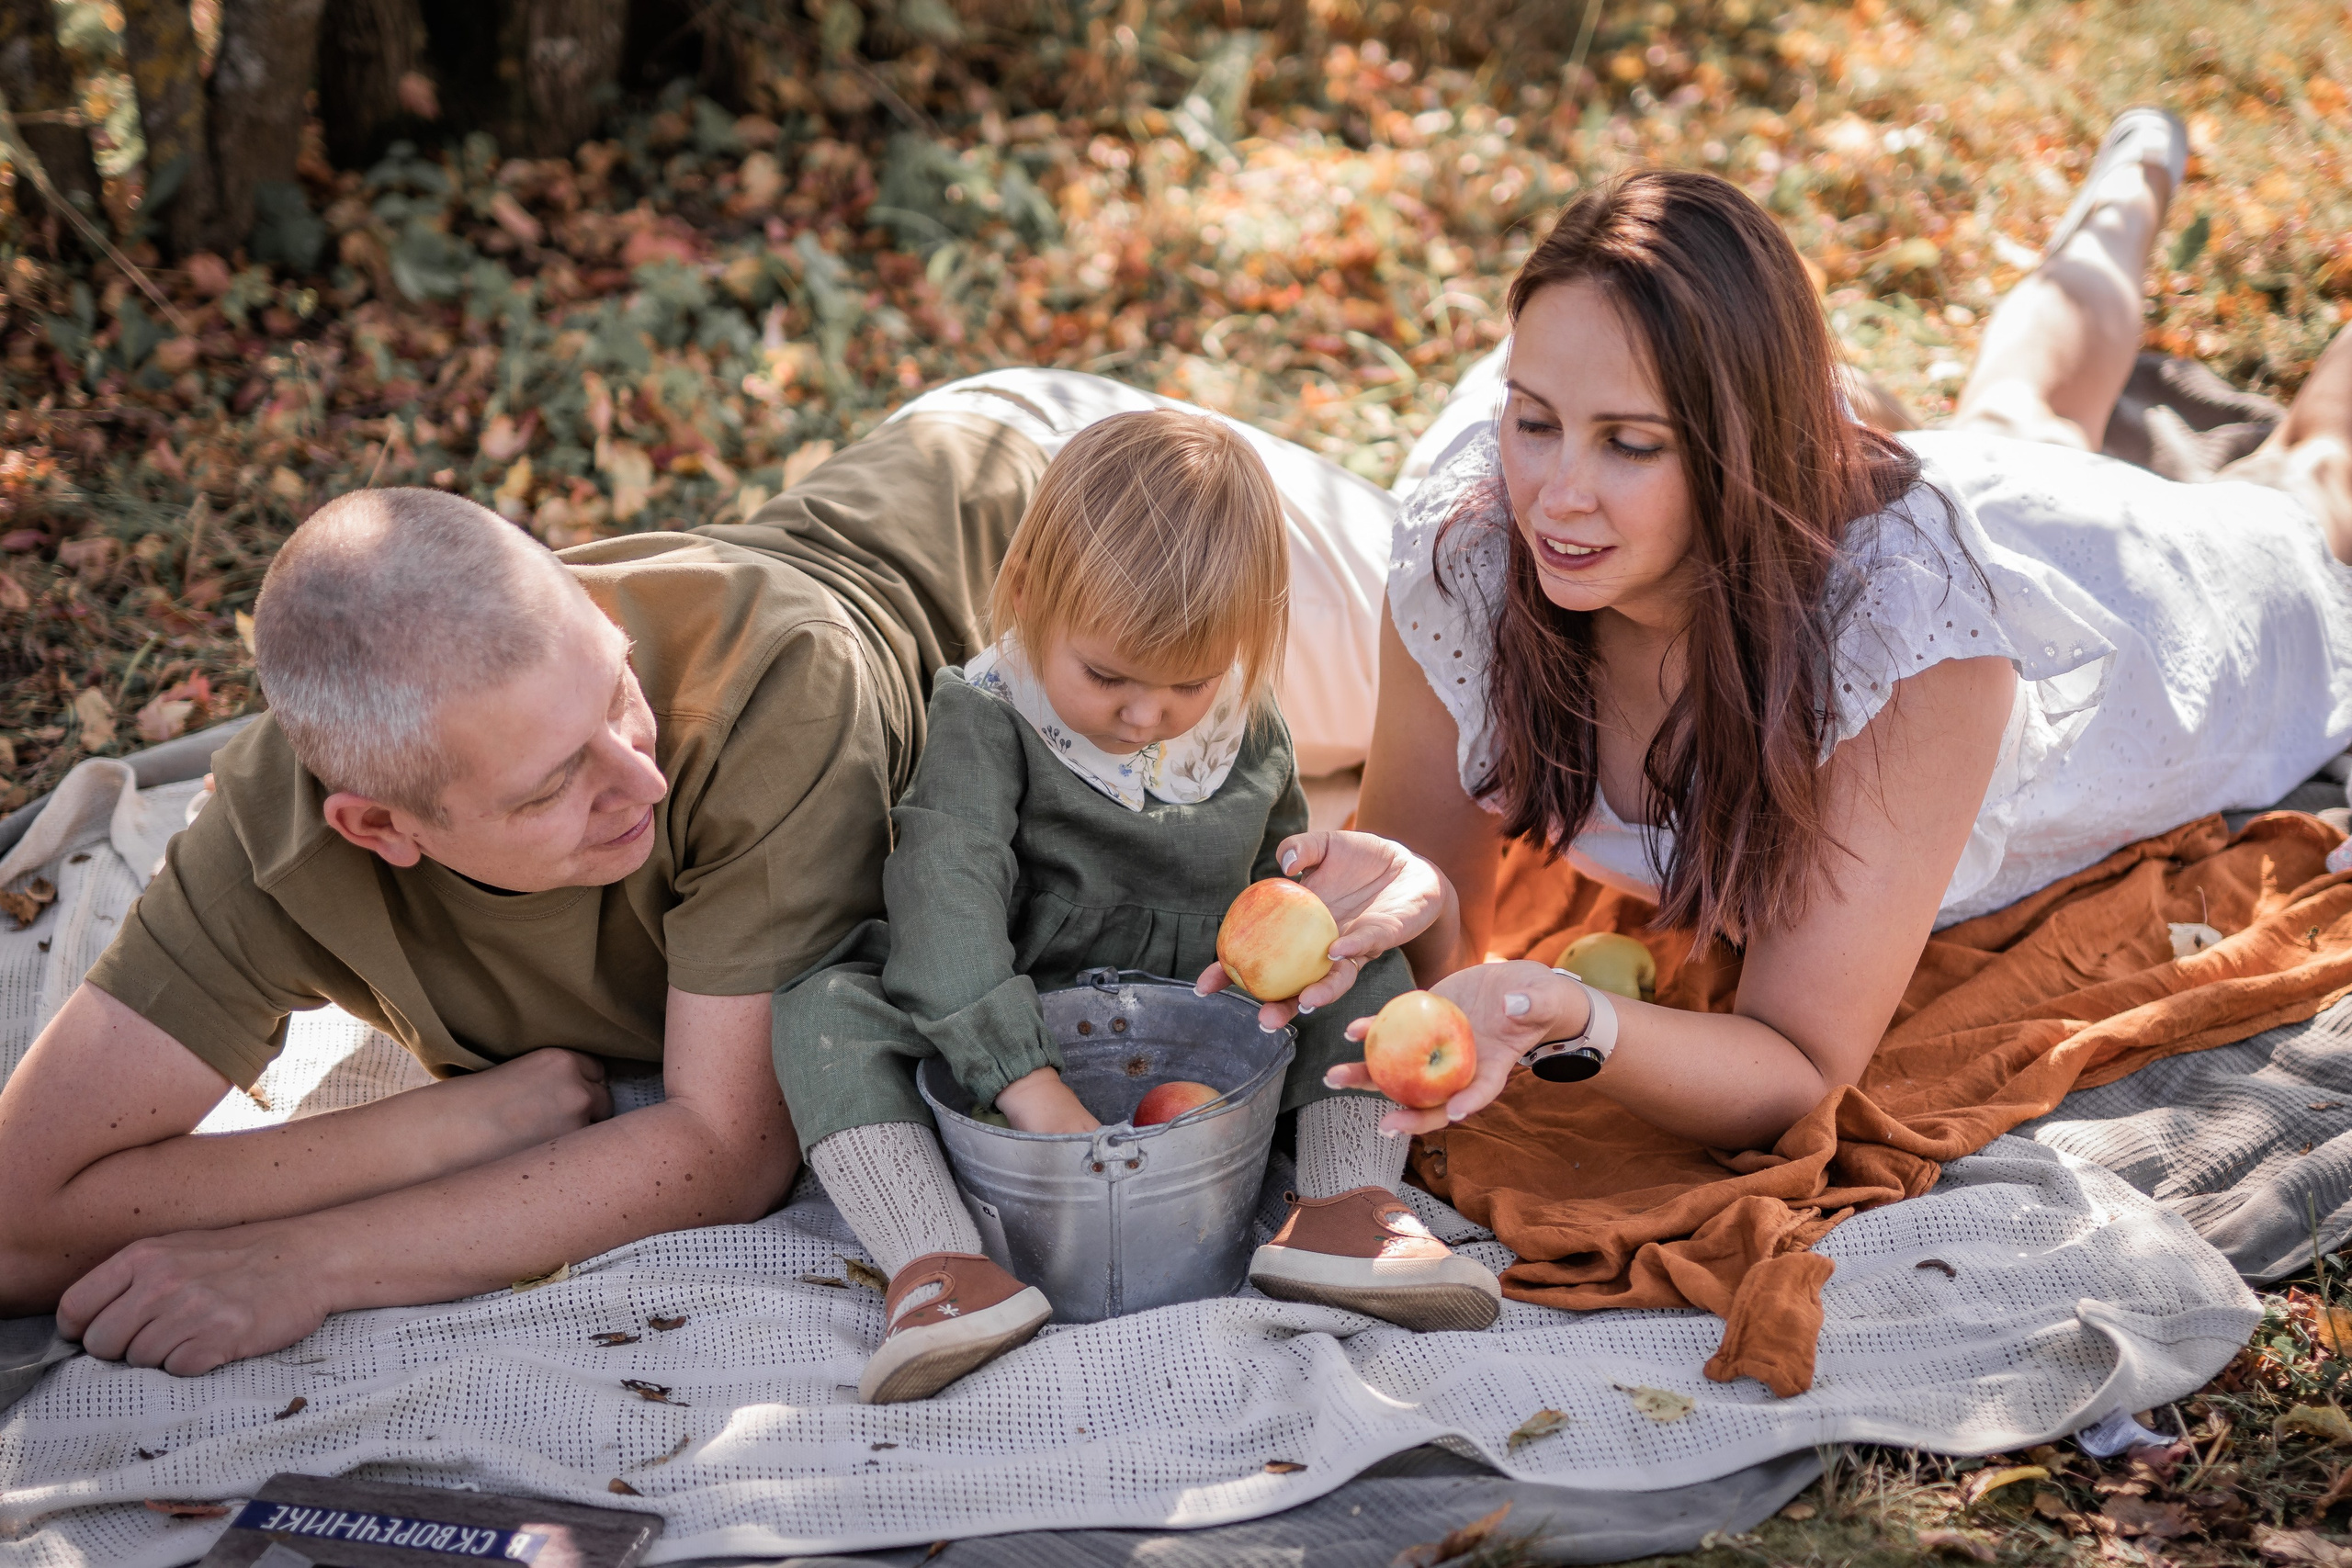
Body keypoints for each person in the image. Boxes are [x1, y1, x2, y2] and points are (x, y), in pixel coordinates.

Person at [0, 374, 1403, 1376]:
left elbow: (724, 1145)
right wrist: (454, 1129)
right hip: (1045, 575)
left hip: (1062, 499)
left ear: (593, 607)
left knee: (1500, 621)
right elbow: (21, 1216)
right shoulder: (271, 846)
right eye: (560, 783)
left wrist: (314, 1256)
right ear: (380, 826)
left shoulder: (763, 692)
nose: (646, 779)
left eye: (618, 694)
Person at [1283, 123, 2352, 1151]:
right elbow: (1433, 929)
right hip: (1935, 501)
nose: (1556, 496)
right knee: (2015, 420)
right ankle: (2134, 171)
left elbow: (1799, 1064)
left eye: (1630, 444)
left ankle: (2138, 184)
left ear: (1743, 447)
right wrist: (1409, 905)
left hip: (2151, 624)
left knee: (2310, 486)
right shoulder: (1469, 553)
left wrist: (1569, 1015)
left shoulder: (1908, 643)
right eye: (1533, 420)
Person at [772, 409, 1499, 1404]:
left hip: (1197, 1003)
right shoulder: (991, 714)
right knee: (826, 1010)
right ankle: (942, 1266)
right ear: (1028, 597)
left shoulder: (1242, 719)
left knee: (1360, 962)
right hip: (1011, 1005)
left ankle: (1342, 1206)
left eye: (1187, 682)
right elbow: (946, 900)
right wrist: (1028, 1087)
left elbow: (1273, 888)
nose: (1147, 714)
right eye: (1107, 675)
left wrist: (1310, 898)